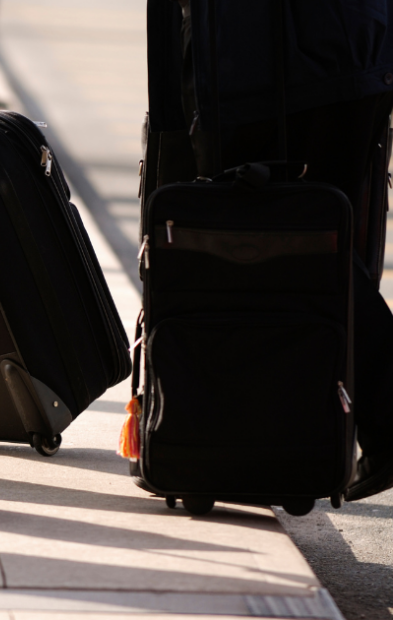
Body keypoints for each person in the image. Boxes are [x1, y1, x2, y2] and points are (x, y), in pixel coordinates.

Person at [146, 0, 393, 501]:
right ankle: (287, 438)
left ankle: (245, 440)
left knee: (272, 240)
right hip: (356, 46)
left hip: (256, 60)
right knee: (325, 245)